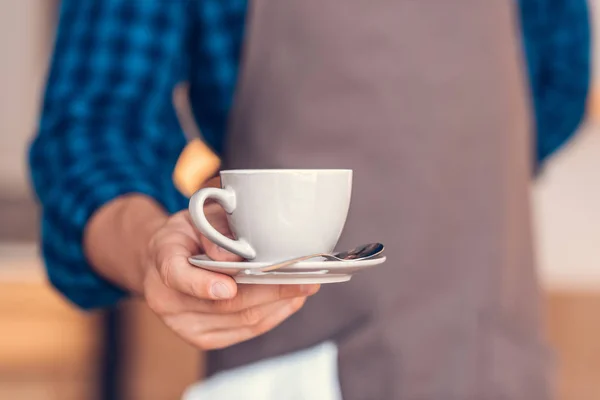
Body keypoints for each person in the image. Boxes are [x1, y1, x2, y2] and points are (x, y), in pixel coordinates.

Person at [29, 0, 590, 399]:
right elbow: (93, 129)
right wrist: (154, 246)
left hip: (496, 368)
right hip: (293, 376)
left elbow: (556, 88)